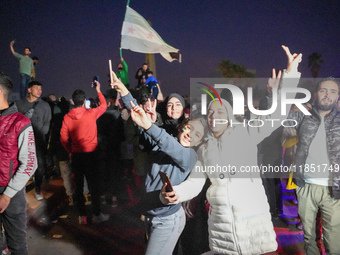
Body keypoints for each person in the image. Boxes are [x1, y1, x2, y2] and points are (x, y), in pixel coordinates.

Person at [161, 46, 302, 255]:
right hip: (222, 232)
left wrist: (290, 75)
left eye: (220, 111)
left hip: (254, 229)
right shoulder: (204, 149)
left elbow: (278, 114)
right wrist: (177, 193)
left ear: (228, 116)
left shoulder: (246, 133)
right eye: (210, 112)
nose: (214, 115)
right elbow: (195, 182)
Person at [111, 72, 207, 254]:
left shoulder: (190, 156)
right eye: (189, 128)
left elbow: (166, 142)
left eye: (197, 135)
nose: (190, 134)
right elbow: (142, 121)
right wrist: (125, 92)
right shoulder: (164, 138)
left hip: (168, 218)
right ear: (181, 128)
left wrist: (149, 125)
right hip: (151, 212)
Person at [286, 76, 340, 254]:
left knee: (334, 240)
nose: (327, 95)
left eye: (333, 91)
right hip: (305, 186)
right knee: (309, 237)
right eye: (323, 90)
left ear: (338, 97)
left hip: (333, 189)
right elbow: (280, 116)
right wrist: (276, 92)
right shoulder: (303, 115)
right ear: (316, 94)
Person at [60, 81, 108, 224]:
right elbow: (104, 106)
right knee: (94, 186)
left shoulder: (67, 117)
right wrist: (99, 91)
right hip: (91, 154)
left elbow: (63, 138)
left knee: (79, 187)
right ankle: (97, 214)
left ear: (73, 101)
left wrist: (70, 150)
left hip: (77, 155)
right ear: (84, 100)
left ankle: (82, 216)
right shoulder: (91, 113)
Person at [0, 72, 37, 255]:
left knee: (17, 246)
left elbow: (30, 163)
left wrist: (7, 195)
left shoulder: (20, 122)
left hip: (11, 194)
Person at [16, 81, 52, 201]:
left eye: (41, 89)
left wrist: (42, 133)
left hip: (38, 140)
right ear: (29, 90)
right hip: (22, 140)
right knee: (20, 165)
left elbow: (47, 122)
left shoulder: (45, 105)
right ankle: (18, 191)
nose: (40, 91)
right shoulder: (19, 104)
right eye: (36, 88)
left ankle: (37, 188)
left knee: (40, 166)